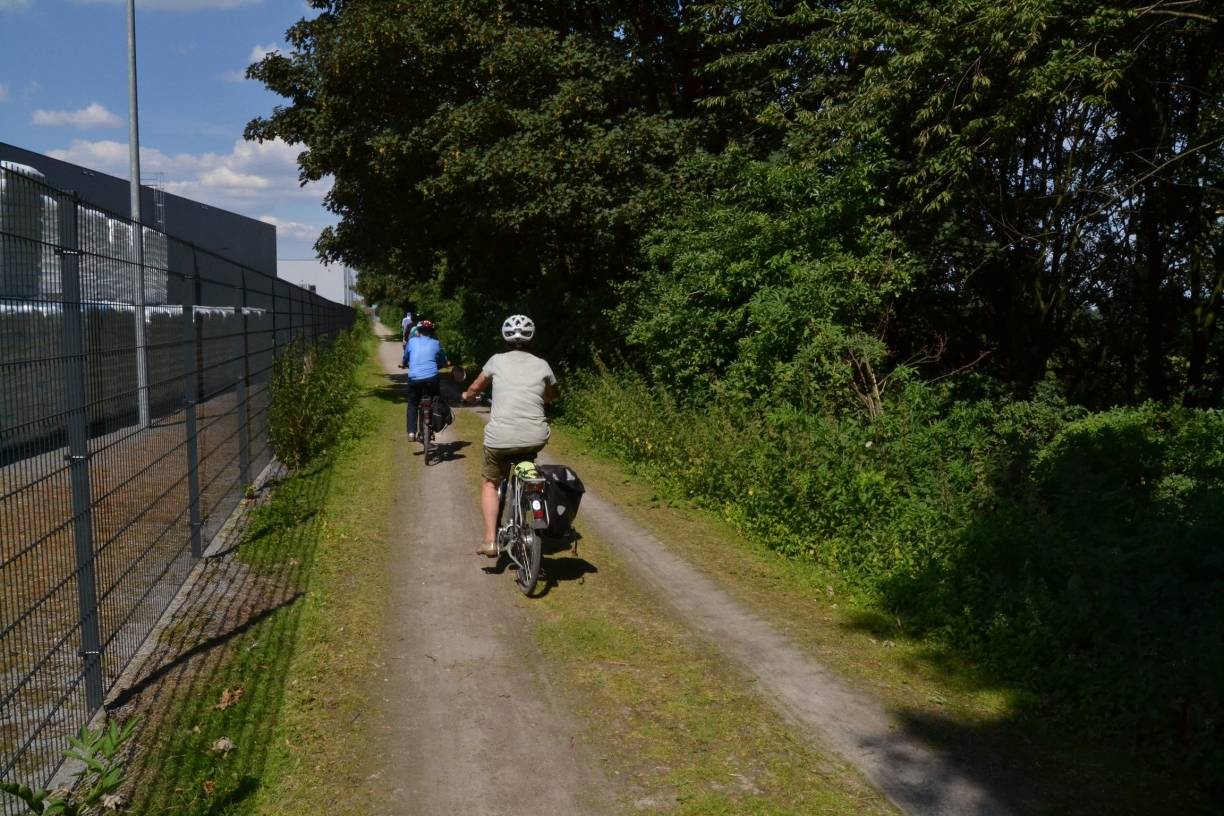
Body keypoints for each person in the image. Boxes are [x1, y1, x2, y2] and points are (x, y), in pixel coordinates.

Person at [461, 314, 557, 557]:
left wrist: (467, 397)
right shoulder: (542, 364)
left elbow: (475, 387)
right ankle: (532, 495)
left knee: (490, 482)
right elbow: (552, 395)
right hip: (536, 436)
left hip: (500, 439)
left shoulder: (496, 361)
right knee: (528, 454)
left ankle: (491, 541)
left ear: (505, 338)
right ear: (531, 338)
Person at [400, 319, 448, 442]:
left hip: (414, 378)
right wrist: (444, 364)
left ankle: (411, 432)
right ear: (432, 332)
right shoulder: (436, 343)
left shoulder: (411, 342)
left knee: (412, 403)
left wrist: (404, 364)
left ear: (418, 331)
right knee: (436, 400)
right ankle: (433, 423)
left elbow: (405, 358)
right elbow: (443, 360)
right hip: (432, 377)